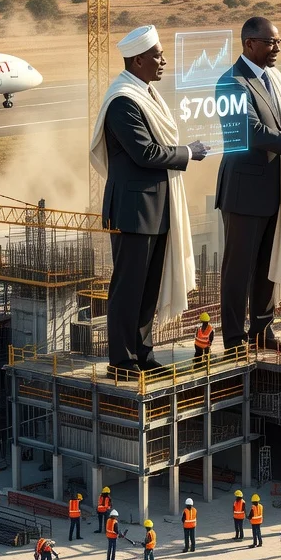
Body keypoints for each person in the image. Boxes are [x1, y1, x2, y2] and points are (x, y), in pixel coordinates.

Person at [91, 25, 207, 376]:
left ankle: (143, 354)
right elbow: (145, 153)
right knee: (128, 291)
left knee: (147, 291)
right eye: (158, 56)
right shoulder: (123, 100)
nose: (164, 61)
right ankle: (122, 362)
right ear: (138, 59)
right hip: (133, 211)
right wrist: (187, 152)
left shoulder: (145, 93)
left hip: (156, 208)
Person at [217, 16, 281, 354]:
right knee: (237, 271)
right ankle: (233, 339)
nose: (277, 48)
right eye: (271, 42)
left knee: (266, 269)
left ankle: (261, 330)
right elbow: (253, 132)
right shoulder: (231, 83)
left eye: (279, 42)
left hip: (273, 191)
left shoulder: (273, 79)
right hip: (244, 193)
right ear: (249, 44)